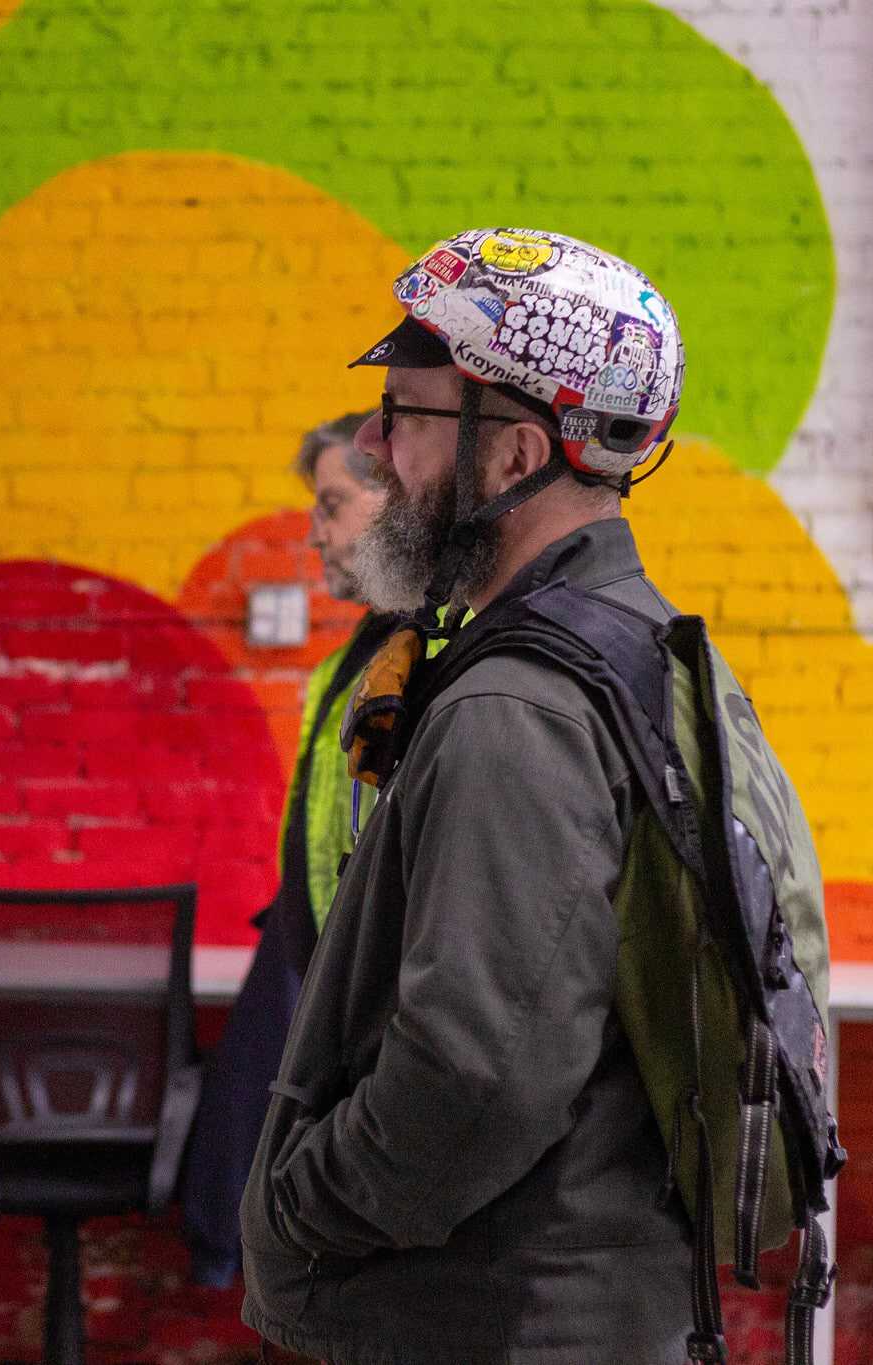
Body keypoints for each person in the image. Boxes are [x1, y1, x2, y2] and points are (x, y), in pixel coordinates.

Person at [240, 228, 833, 1364]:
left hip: (489, 1321)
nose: (370, 445)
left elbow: (474, 1076)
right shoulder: (645, 650)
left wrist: (296, 1206)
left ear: (514, 456)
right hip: (571, 1303)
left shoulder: (517, 711)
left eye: (404, 414)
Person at [181, 413, 397, 1287]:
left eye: (333, 504)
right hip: (319, 992)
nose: (314, 531)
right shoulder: (355, 663)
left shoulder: (428, 665)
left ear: (397, 502)